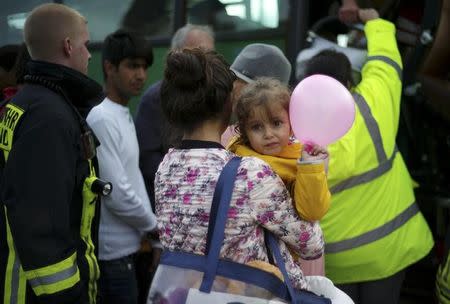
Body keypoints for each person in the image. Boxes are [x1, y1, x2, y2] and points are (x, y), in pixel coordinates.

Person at [152, 47, 325, 297]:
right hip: (243, 296)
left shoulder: (166, 167)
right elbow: (312, 245)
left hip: (188, 294)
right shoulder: (250, 173)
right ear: (227, 104)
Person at [301, 8, 434, 304]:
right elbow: (386, 61)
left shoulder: (293, 128)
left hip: (332, 261)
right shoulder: (375, 101)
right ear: (350, 82)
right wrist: (372, 21)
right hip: (389, 250)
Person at [0, 3, 104, 304]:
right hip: (38, 294)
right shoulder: (50, 117)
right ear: (68, 46)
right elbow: (41, 225)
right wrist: (67, 297)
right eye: (85, 45)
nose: (89, 54)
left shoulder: (28, 103)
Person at [86, 29, 157, 304]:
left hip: (132, 248)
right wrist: (155, 226)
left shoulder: (122, 113)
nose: (140, 75)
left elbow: (132, 178)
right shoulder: (101, 118)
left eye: (144, 67)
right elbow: (115, 192)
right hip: (112, 257)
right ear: (109, 67)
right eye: (132, 66)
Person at [135, 24, 214, 209]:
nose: (206, 62)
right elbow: (147, 159)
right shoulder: (156, 98)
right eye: (198, 54)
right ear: (175, 55)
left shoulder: (211, 96)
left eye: (210, 55)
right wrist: (187, 184)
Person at [229, 77, 330, 222]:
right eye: (256, 127)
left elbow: (313, 212)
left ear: (292, 124)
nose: (268, 134)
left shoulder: (304, 157)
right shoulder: (239, 164)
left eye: (276, 123)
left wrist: (311, 167)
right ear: (245, 133)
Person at [221, 43, 292, 146]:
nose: (233, 87)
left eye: (276, 123)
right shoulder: (224, 136)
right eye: (233, 79)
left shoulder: (301, 152)